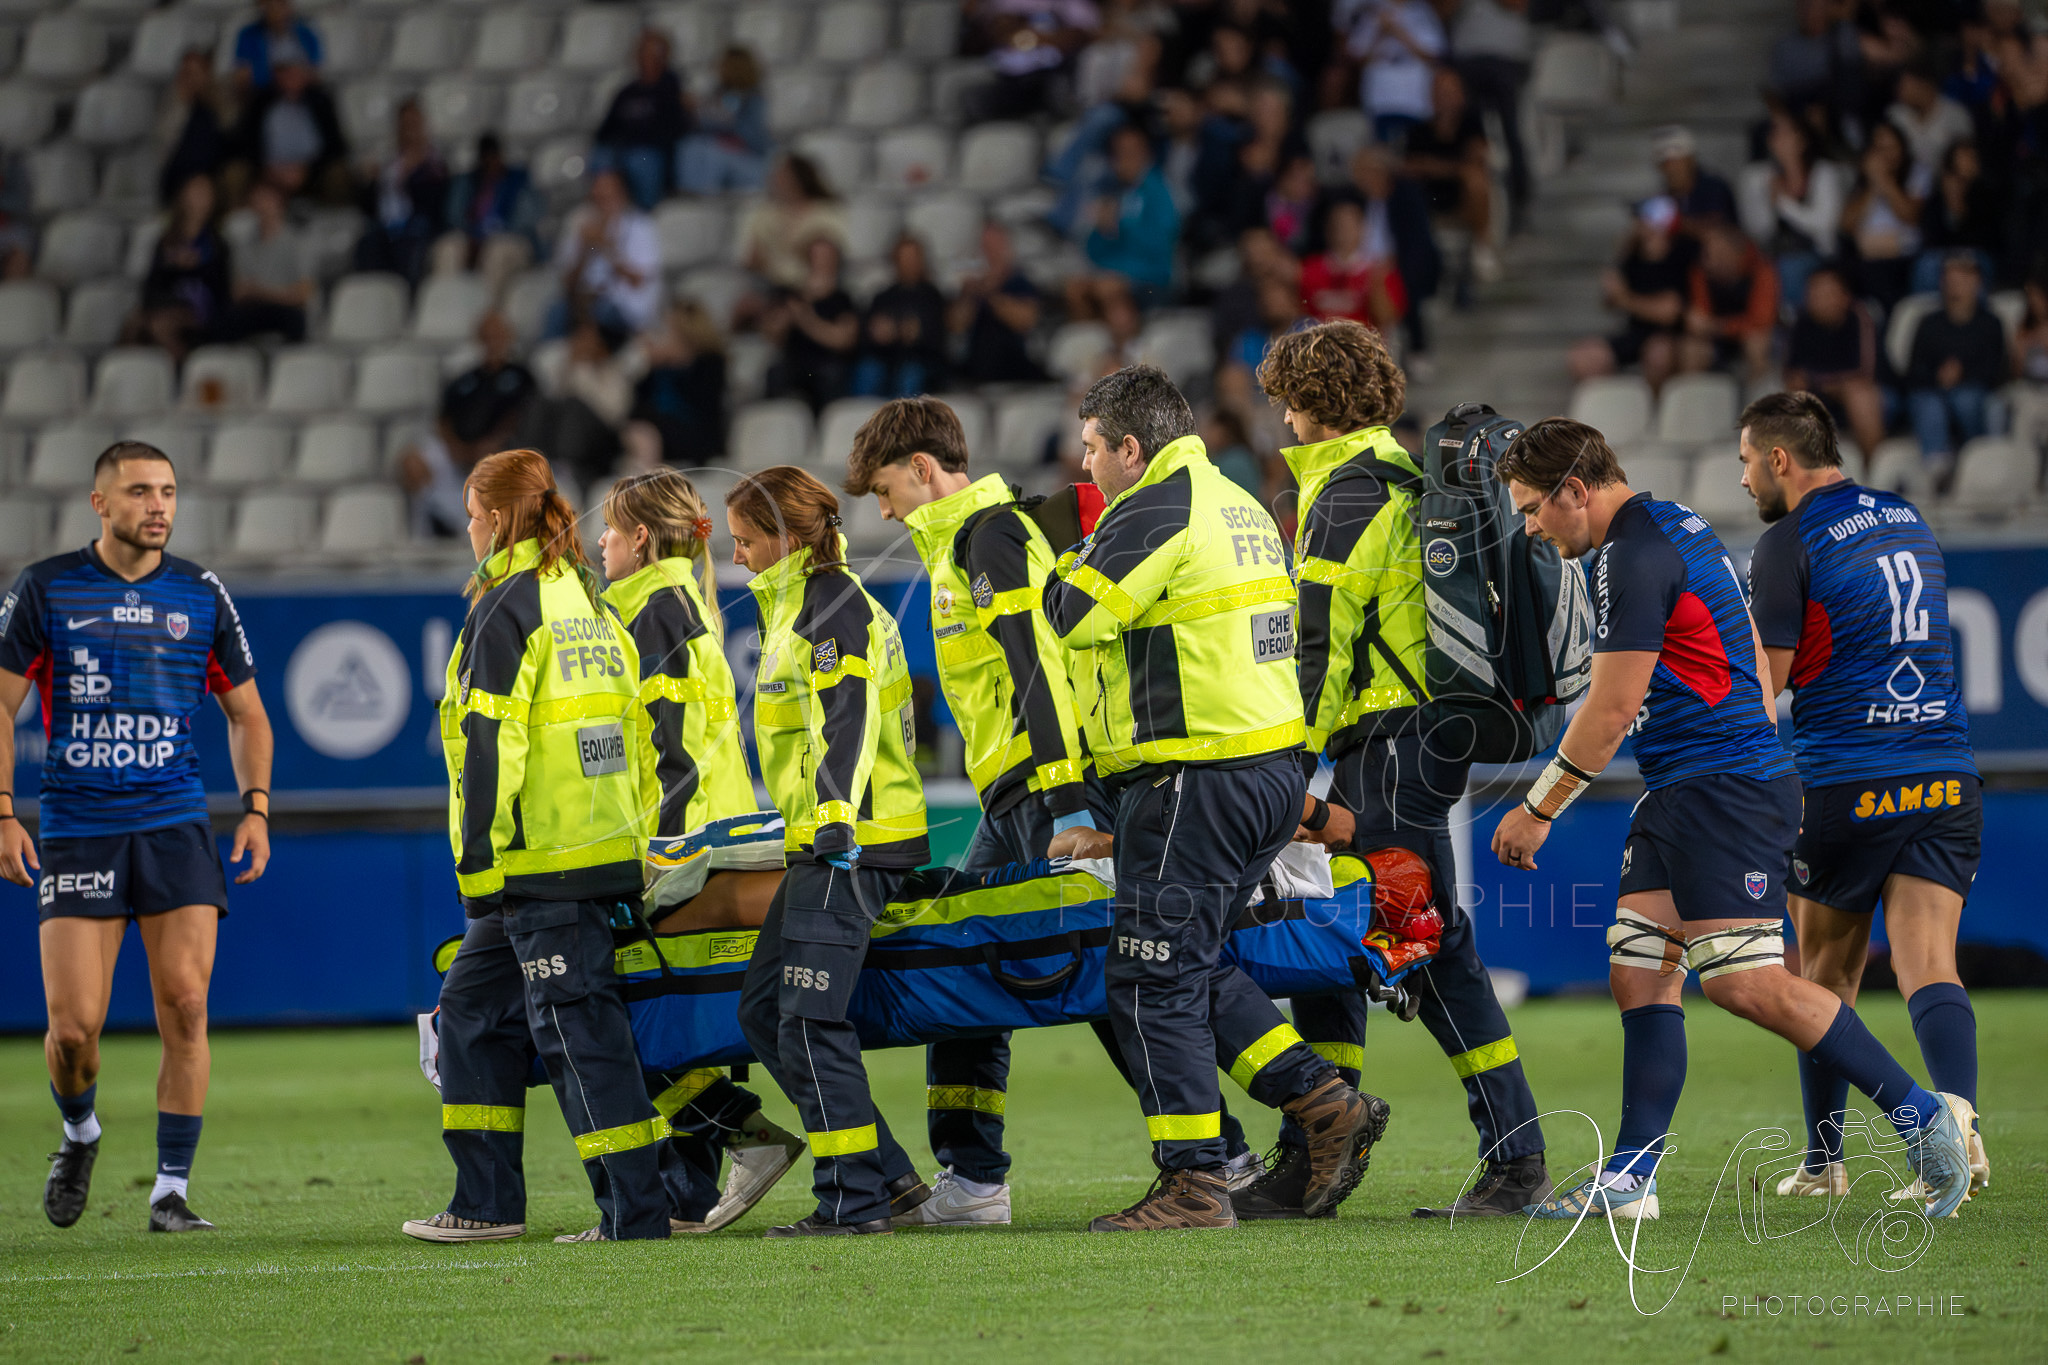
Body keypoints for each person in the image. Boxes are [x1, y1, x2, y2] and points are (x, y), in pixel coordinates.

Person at [1488, 418, 1975, 1223]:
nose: (1532, 526)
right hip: (1692, 782)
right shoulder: (1672, 522)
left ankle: (1925, 1119)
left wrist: (1538, 811)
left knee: (1746, 983)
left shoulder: (1631, 553)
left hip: (1723, 789)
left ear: (1576, 490)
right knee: (1640, 965)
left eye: (1535, 507)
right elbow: (1750, 652)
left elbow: (1609, 711)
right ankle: (1632, 1177)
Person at [1041, 365, 1387, 1233]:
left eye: (1091, 449)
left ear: (1131, 447)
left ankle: (1195, 1180)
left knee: (1149, 976)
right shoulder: (1235, 498)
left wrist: (1069, 553)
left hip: (1197, 777)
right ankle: (1321, 1102)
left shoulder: (1155, 506)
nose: (1085, 468)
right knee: (1190, 964)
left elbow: (1071, 615)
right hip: (1265, 772)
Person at [1248, 320, 1551, 1220]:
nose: (1282, 421)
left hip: (1390, 748)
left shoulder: (1344, 497)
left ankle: (1517, 1162)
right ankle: (1317, 1153)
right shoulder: (1400, 481)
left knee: (1431, 951)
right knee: (1349, 942)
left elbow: (1320, 647)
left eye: (1285, 403)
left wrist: (1284, 764)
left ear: (1308, 404)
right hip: (1404, 748)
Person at [0, 440, 273, 1234]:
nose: (158, 505)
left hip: (174, 823)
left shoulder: (200, 594)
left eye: (168, 491)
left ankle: (170, 1191)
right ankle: (80, 1128)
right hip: (80, 829)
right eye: (140, 491)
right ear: (100, 503)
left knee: (187, 1003)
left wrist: (254, 806)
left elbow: (248, 714)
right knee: (73, 1029)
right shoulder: (46, 588)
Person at [404, 448, 674, 1245]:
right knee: (471, 1010)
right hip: (594, 848)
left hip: (538, 863)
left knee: (580, 1034)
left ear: (494, 517)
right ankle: (486, 1202)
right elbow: (637, 733)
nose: (466, 526)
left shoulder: (505, 606)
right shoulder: (583, 599)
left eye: (471, 512)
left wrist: (478, 865)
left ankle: (636, 1214)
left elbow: (490, 744)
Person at [844, 397, 1100, 1228]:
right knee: (976, 968)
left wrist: (1067, 800)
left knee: (1099, 976)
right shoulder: (971, 538)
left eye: (885, 489)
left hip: (1039, 791)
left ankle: (1220, 1152)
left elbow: (1034, 671)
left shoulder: (985, 535)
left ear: (923, 468)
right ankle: (974, 1176)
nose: (881, 510)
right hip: (1015, 793)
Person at [1736, 392, 1988, 1204]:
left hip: (1849, 778)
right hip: (1946, 772)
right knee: (1928, 965)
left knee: (1823, 977)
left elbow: (1764, 685)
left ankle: (1824, 1163)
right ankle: (1963, 1131)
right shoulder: (1906, 516)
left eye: (1746, 461)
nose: (1743, 479)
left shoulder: (1787, 540)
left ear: (1781, 459)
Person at [596, 469, 807, 1235]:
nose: (600, 542)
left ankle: (741, 1131)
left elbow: (673, 747)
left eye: (613, 532)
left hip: (689, 853)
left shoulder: (655, 609)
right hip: (711, 840)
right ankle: (692, 1188)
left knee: (605, 1008)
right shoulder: (685, 604)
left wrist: (664, 849)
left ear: (643, 538)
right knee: (677, 1017)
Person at [726, 465, 934, 1236]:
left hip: (852, 843)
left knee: (809, 1021)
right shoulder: (798, 609)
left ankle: (853, 1201)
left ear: (784, 538)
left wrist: (837, 819)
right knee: (763, 1011)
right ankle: (890, 1180)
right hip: (831, 841)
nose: (737, 555)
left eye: (746, 540)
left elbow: (845, 721)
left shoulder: (832, 606)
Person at [1569, 195, 1693, 389]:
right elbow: (1609, 302)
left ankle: (1657, 413)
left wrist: (1625, 299)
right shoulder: (1632, 256)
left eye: (1641, 218)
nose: (1635, 223)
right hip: (1636, 333)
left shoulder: (1681, 256)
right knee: (1582, 357)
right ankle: (1612, 411)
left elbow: (1669, 313)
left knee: (1658, 354)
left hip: (1671, 336)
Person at [1906, 252, 2006, 476]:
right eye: (1950, 279)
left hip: (1975, 391)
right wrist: (1939, 377)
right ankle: (1937, 470)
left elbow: (1996, 370)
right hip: (1934, 390)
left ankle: (1978, 464)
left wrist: (1962, 374)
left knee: (1967, 400)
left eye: (1962, 279)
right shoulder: (1928, 323)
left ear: (1977, 282)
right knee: (1928, 403)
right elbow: (1913, 371)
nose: (1955, 286)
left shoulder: (1990, 323)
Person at [1068, 124, 1181, 318]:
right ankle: (1091, 342)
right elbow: (1094, 253)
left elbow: (1161, 244)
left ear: (1147, 154)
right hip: (1116, 276)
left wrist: (1120, 225)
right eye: (1119, 153)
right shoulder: (1113, 193)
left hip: (1153, 282)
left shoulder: (1159, 190)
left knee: (1107, 289)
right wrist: (1103, 230)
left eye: (1132, 152)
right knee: (1074, 289)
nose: (1125, 159)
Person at [1736, 111, 1845, 310]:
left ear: (1802, 139)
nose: (1779, 140)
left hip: (1820, 255)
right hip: (1774, 255)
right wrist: (1766, 199)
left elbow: (1824, 225)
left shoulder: (1823, 173)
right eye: (1774, 134)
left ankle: (1793, 317)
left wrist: (1784, 204)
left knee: (1789, 267)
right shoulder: (1759, 177)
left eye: (1785, 133)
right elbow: (1758, 230)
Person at [1401, 66, 1499, 280]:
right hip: (1429, 198)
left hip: (1463, 199)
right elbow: (1411, 166)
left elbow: (1477, 158)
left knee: (1475, 179)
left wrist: (1433, 166)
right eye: (1439, 91)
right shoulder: (1418, 130)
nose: (1444, 97)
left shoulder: (1472, 122)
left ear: (1461, 93)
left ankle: (1482, 246)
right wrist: (1455, 168)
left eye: (1449, 91)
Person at [1348, 144, 1441, 363]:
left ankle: (1416, 347)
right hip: (1363, 263)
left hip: (1399, 265)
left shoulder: (1406, 195)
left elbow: (1416, 242)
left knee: (1398, 284)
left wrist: (1388, 265)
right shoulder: (1358, 200)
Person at [127, 174, 232, 363]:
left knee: (160, 326)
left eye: (204, 193)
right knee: (133, 326)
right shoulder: (166, 241)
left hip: (199, 309)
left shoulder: (217, 244)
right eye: (194, 191)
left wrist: (195, 265)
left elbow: (221, 288)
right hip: (167, 303)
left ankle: (184, 370)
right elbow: (152, 285)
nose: (199, 199)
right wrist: (174, 265)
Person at [549, 170, 662, 339]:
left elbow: (638, 280)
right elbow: (568, 284)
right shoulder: (583, 226)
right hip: (587, 300)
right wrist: (584, 249)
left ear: (622, 194)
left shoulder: (641, 226)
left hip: (625, 307)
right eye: (598, 194)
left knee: (601, 311)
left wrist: (605, 247)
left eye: (607, 194)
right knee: (557, 311)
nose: (601, 199)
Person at [1450, 0, 1532, 230]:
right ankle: (1471, 204)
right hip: (1464, 58)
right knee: (1468, 133)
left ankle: (1520, 201)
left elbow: (1518, 5)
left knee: (1511, 132)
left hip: (1505, 58)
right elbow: (1443, 11)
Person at [591, 29, 687, 211]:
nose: (648, 57)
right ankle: (606, 212)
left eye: (654, 52)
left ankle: (645, 212)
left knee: (641, 160)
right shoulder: (627, 92)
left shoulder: (671, 88)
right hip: (622, 149)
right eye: (644, 51)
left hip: (652, 151)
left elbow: (674, 128)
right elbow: (605, 130)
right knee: (601, 157)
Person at [354, 98, 446, 285]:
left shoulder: (433, 164)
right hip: (386, 228)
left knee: (409, 250)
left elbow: (434, 204)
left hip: (417, 228)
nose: (409, 130)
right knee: (367, 244)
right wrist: (371, 182)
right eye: (405, 124)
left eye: (413, 123)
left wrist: (413, 175)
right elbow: (369, 206)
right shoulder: (389, 163)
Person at [763, 237, 857, 413]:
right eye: (818, 256)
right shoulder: (792, 294)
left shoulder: (842, 299)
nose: (822, 261)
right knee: (774, 373)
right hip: (795, 365)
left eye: (827, 256)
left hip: (827, 365)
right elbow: (772, 334)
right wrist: (787, 316)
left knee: (832, 376)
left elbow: (843, 340)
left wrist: (806, 320)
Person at [236, 55, 347, 203]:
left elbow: (336, 146)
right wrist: (269, 170)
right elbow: (247, 144)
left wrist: (307, 170)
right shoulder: (261, 103)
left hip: (312, 172)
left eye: (295, 72)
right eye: (284, 72)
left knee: (338, 175)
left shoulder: (320, 102)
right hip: (270, 172)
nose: (290, 77)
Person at [630, 301, 728, 465]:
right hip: (656, 431)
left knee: (645, 429)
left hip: (695, 436)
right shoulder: (659, 368)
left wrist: (679, 361)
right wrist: (651, 366)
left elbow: (704, 403)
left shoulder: (710, 362)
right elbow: (636, 404)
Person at [1678, 222, 1779, 382]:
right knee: (1690, 349)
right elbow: (1701, 317)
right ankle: (1696, 403)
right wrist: (1705, 324)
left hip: (1747, 335)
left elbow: (1762, 321)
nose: (1708, 257)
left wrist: (1720, 326)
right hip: (1715, 338)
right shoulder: (1701, 272)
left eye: (1716, 251)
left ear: (1733, 252)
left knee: (1757, 344)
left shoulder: (1762, 270)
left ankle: (1755, 401)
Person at [441, 134, 542, 294]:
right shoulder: (468, 182)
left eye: (493, 156)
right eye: (485, 157)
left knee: (495, 251)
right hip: (473, 237)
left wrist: (488, 237)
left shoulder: (519, 180)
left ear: (500, 156)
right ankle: (449, 302)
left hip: (511, 240)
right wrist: (472, 235)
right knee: (448, 247)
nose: (489, 162)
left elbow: (525, 221)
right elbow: (453, 216)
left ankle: (487, 309)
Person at [854, 236, 950, 399]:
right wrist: (878, 335)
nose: (909, 263)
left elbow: (935, 336)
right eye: (904, 258)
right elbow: (869, 333)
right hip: (886, 359)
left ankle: (903, 423)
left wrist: (905, 332)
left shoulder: (933, 296)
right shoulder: (882, 297)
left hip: (921, 361)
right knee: (868, 370)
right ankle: (863, 421)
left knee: (910, 375)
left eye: (913, 258)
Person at [951, 221, 1047, 384]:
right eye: (986, 246)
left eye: (995, 245)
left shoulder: (1019, 282)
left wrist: (992, 294)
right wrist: (969, 296)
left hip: (1011, 361)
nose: (991, 252)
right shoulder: (973, 289)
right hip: (977, 362)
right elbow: (956, 325)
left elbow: (1025, 320)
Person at [218, 180, 311, 344]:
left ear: (280, 202)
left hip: (285, 310)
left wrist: (260, 291)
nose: (262, 206)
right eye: (257, 200)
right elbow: (238, 292)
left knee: (295, 319)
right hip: (254, 310)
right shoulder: (244, 245)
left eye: (267, 199)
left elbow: (302, 295)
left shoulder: (297, 242)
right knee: (227, 318)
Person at [1346, 0, 1445, 145]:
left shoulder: (1422, 11)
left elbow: (1433, 56)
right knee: (1383, 153)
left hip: (1415, 102)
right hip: (1380, 102)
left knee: (1413, 151)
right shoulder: (1373, 12)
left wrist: (1397, 32)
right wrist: (1380, 33)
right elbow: (1357, 60)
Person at [1299, 197, 1404, 333]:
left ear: (1363, 228)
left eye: (1350, 224)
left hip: (1363, 348)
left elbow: (1387, 319)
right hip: (1319, 347)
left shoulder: (1380, 271)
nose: (1344, 230)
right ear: (1327, 228)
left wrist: (1377, 287)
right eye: (1338, 224)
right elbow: (1298, 313)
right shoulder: (1309, 268)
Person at [677, 46, 771, 196]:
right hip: (724, 156)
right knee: (691, 146)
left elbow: (753, 139)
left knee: (711, 153)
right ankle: (692, 202)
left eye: (722, 64)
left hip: (751, 162)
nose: (717, 68)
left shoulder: (754, 99)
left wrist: (701, 110)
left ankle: (703, 204)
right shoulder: (718, 93)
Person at [158, 50, 226, 206]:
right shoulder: (172, 106)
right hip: (177, 181)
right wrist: (181, 105)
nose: (192, 79)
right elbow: (163, 150)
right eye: (187, 73)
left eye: (197, 73)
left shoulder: (214, 109)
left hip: (210, 179)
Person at [1650, 125, 1737, 231]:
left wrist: (1677, 222)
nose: (1671, 169)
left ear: (1691, 160)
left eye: (1677, 162)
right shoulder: (1664, 197)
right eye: (1666, 164)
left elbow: (1717, 229)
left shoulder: (1713, 187)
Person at [232, 0, 322, 95]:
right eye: (270, 5)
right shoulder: (249, 35)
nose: (276, 10)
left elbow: (315, 68)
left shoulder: (306, 33)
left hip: (302, 91)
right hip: (266, 91)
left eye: (281, 4)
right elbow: (243, 73)